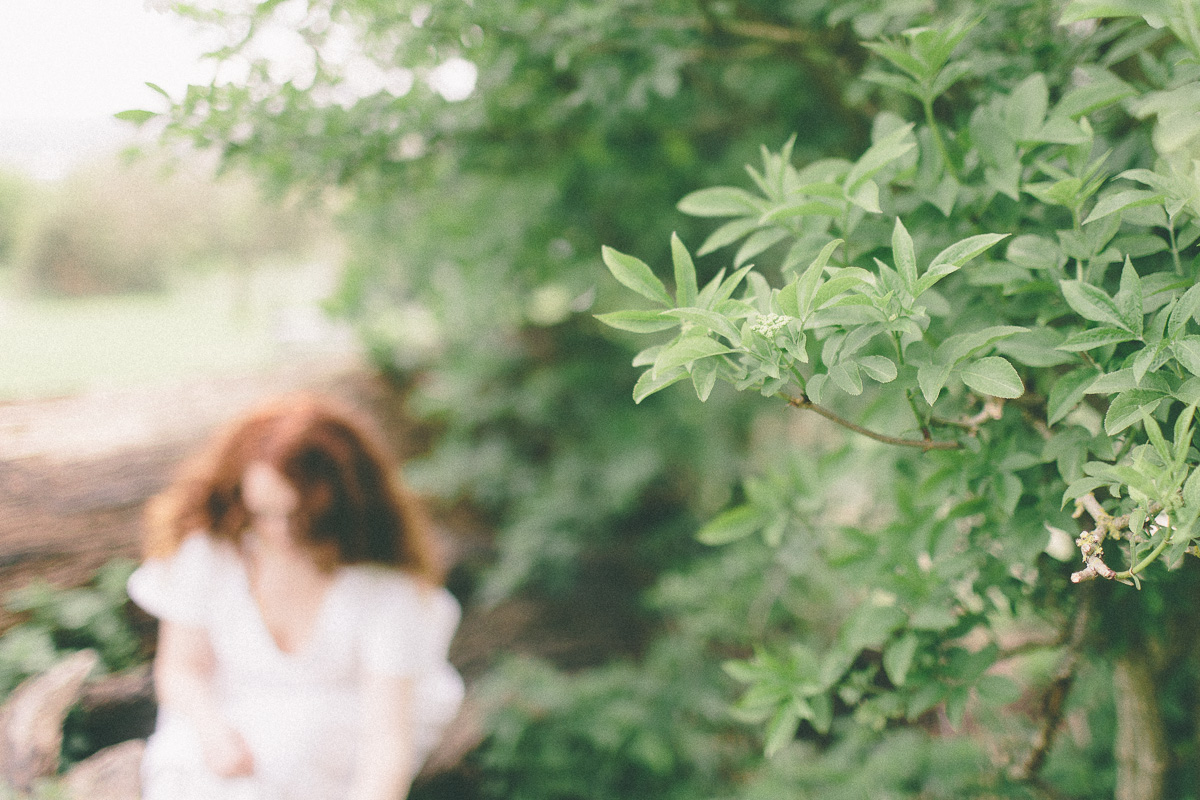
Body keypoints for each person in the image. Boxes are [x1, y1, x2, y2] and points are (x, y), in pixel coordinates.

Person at [127, 393, 464, 800]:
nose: (282, 533)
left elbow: (387, 739)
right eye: (264, 513)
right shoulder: (212, 554)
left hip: (344, 728)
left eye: (301, 517)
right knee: (185, 764)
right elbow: (180, 669)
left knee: (293, 752)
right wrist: (212, 730)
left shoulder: (385, 588)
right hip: (228, 718)